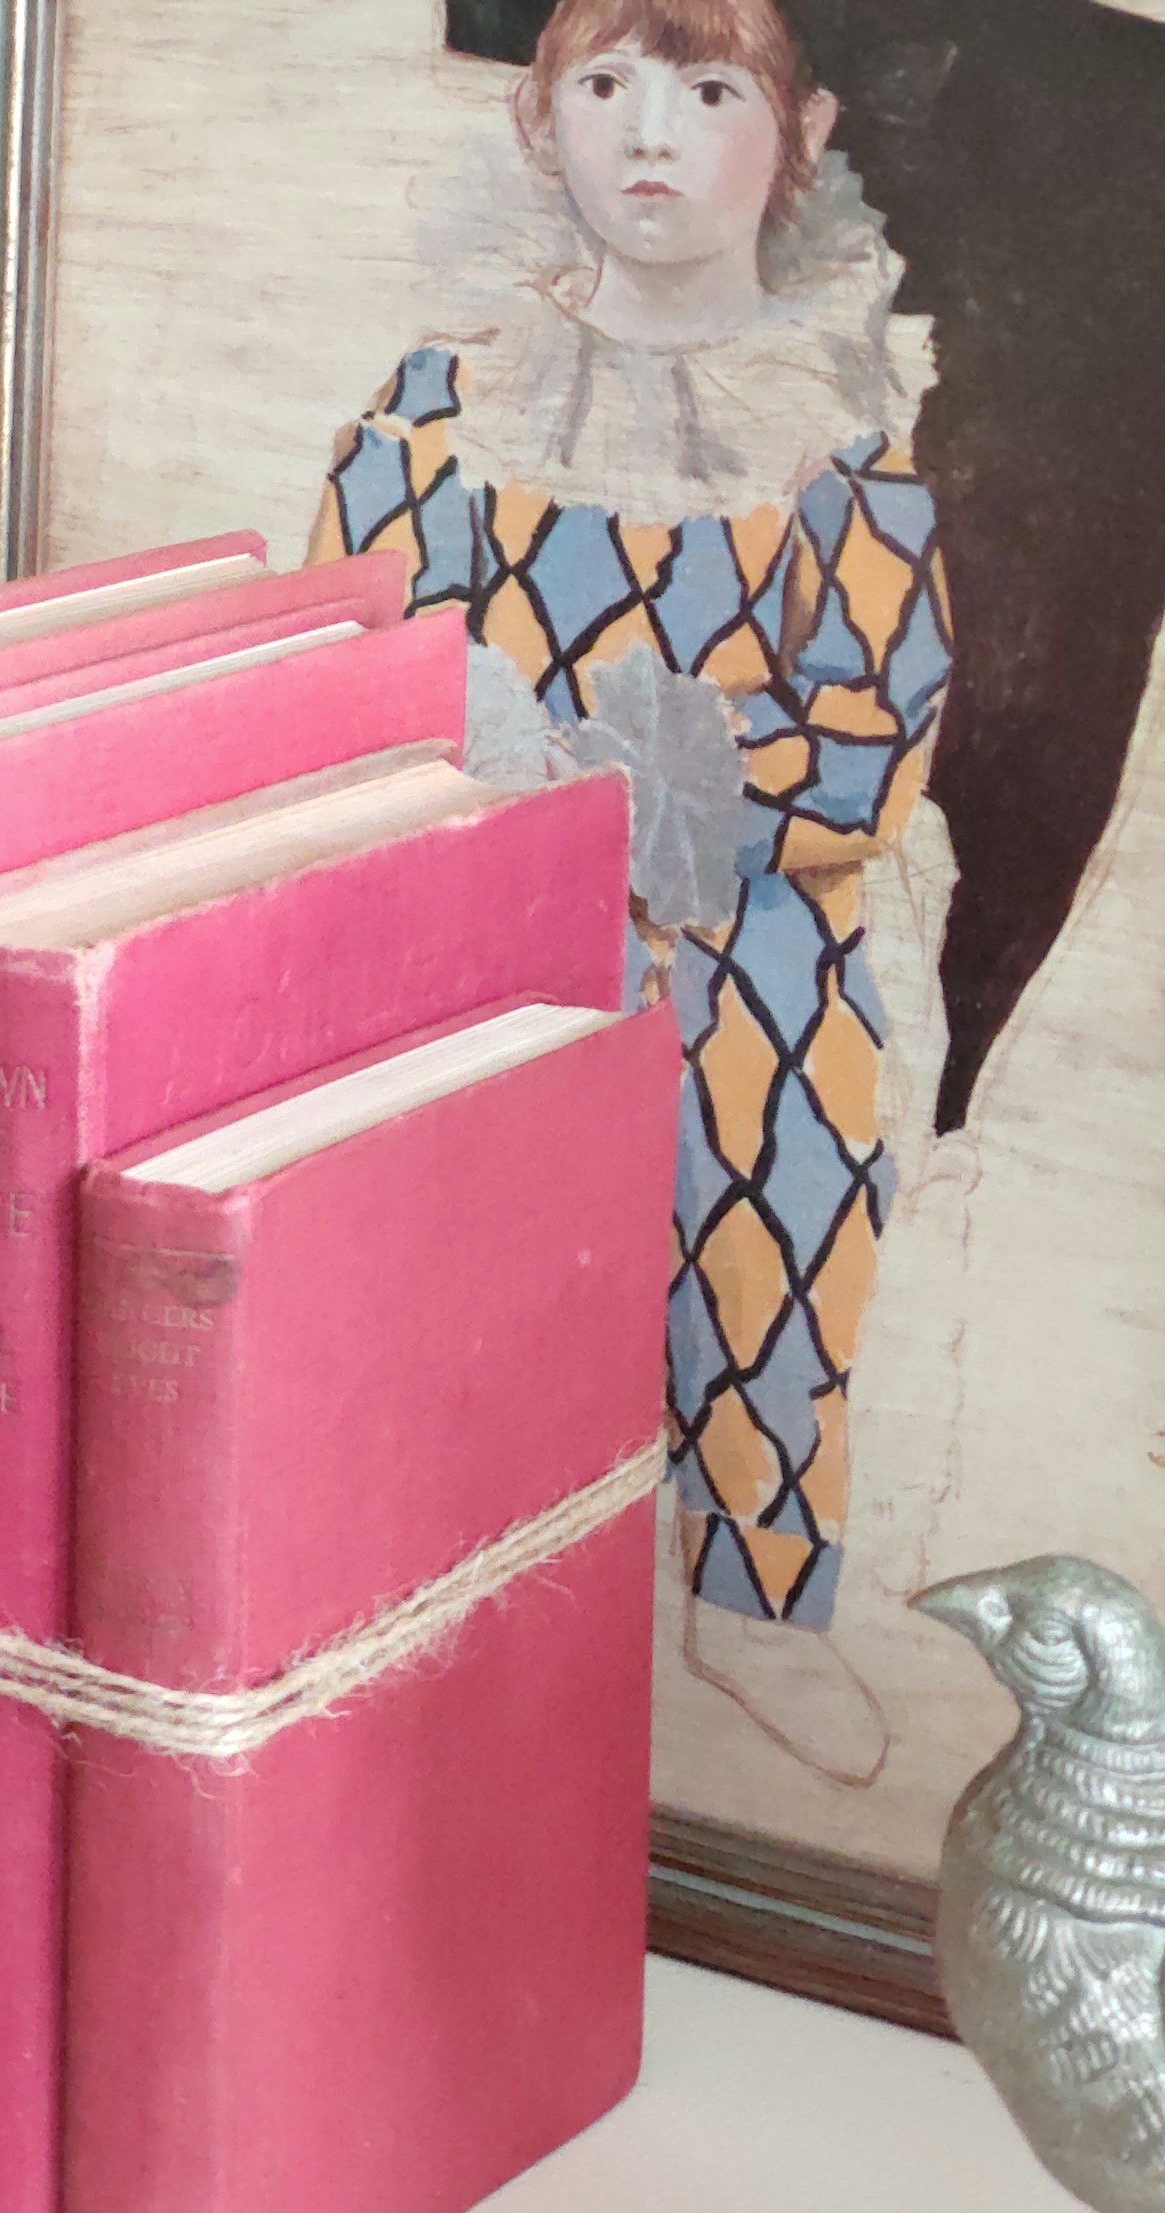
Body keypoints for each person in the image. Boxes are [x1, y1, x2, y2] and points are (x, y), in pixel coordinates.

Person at [309, 0, 952, 1770]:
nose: (648, 133)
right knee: (472, 1248)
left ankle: (755, 1595)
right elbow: (348, 661)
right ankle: (461, 1588)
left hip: (758, 932)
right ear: (540, 121)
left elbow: (879, 734)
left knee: (775, 1203)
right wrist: (493, 767)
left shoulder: (835, 441)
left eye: (705, 87)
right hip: (488, 924)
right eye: (603, 85)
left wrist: (684, 777)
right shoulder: (442, 412)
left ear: (795, 130)